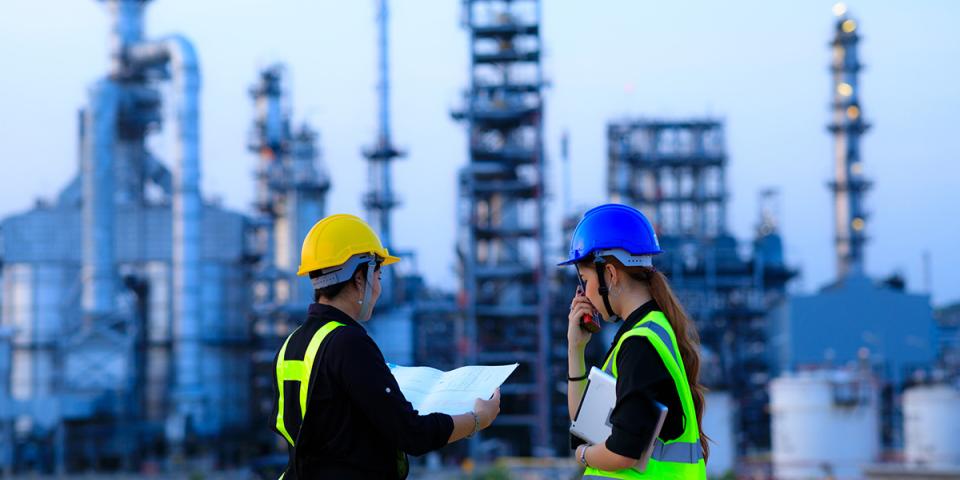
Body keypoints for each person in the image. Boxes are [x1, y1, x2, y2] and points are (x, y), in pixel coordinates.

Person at [271, 213, 501, 479]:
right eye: (378, 277)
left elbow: (327, 424)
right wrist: (477, 419)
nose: (379, 289)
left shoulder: (291, 345)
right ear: (360, 278)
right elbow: (412, 434)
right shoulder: (348, 343)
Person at [559, 204, 708, 479]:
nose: (583, 294)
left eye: (585, 280)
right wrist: (575, 349)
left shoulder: (640, 344)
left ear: (611, 274)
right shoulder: (643, 333)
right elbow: (586, 423)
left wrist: (582, 455)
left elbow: (623, 451)